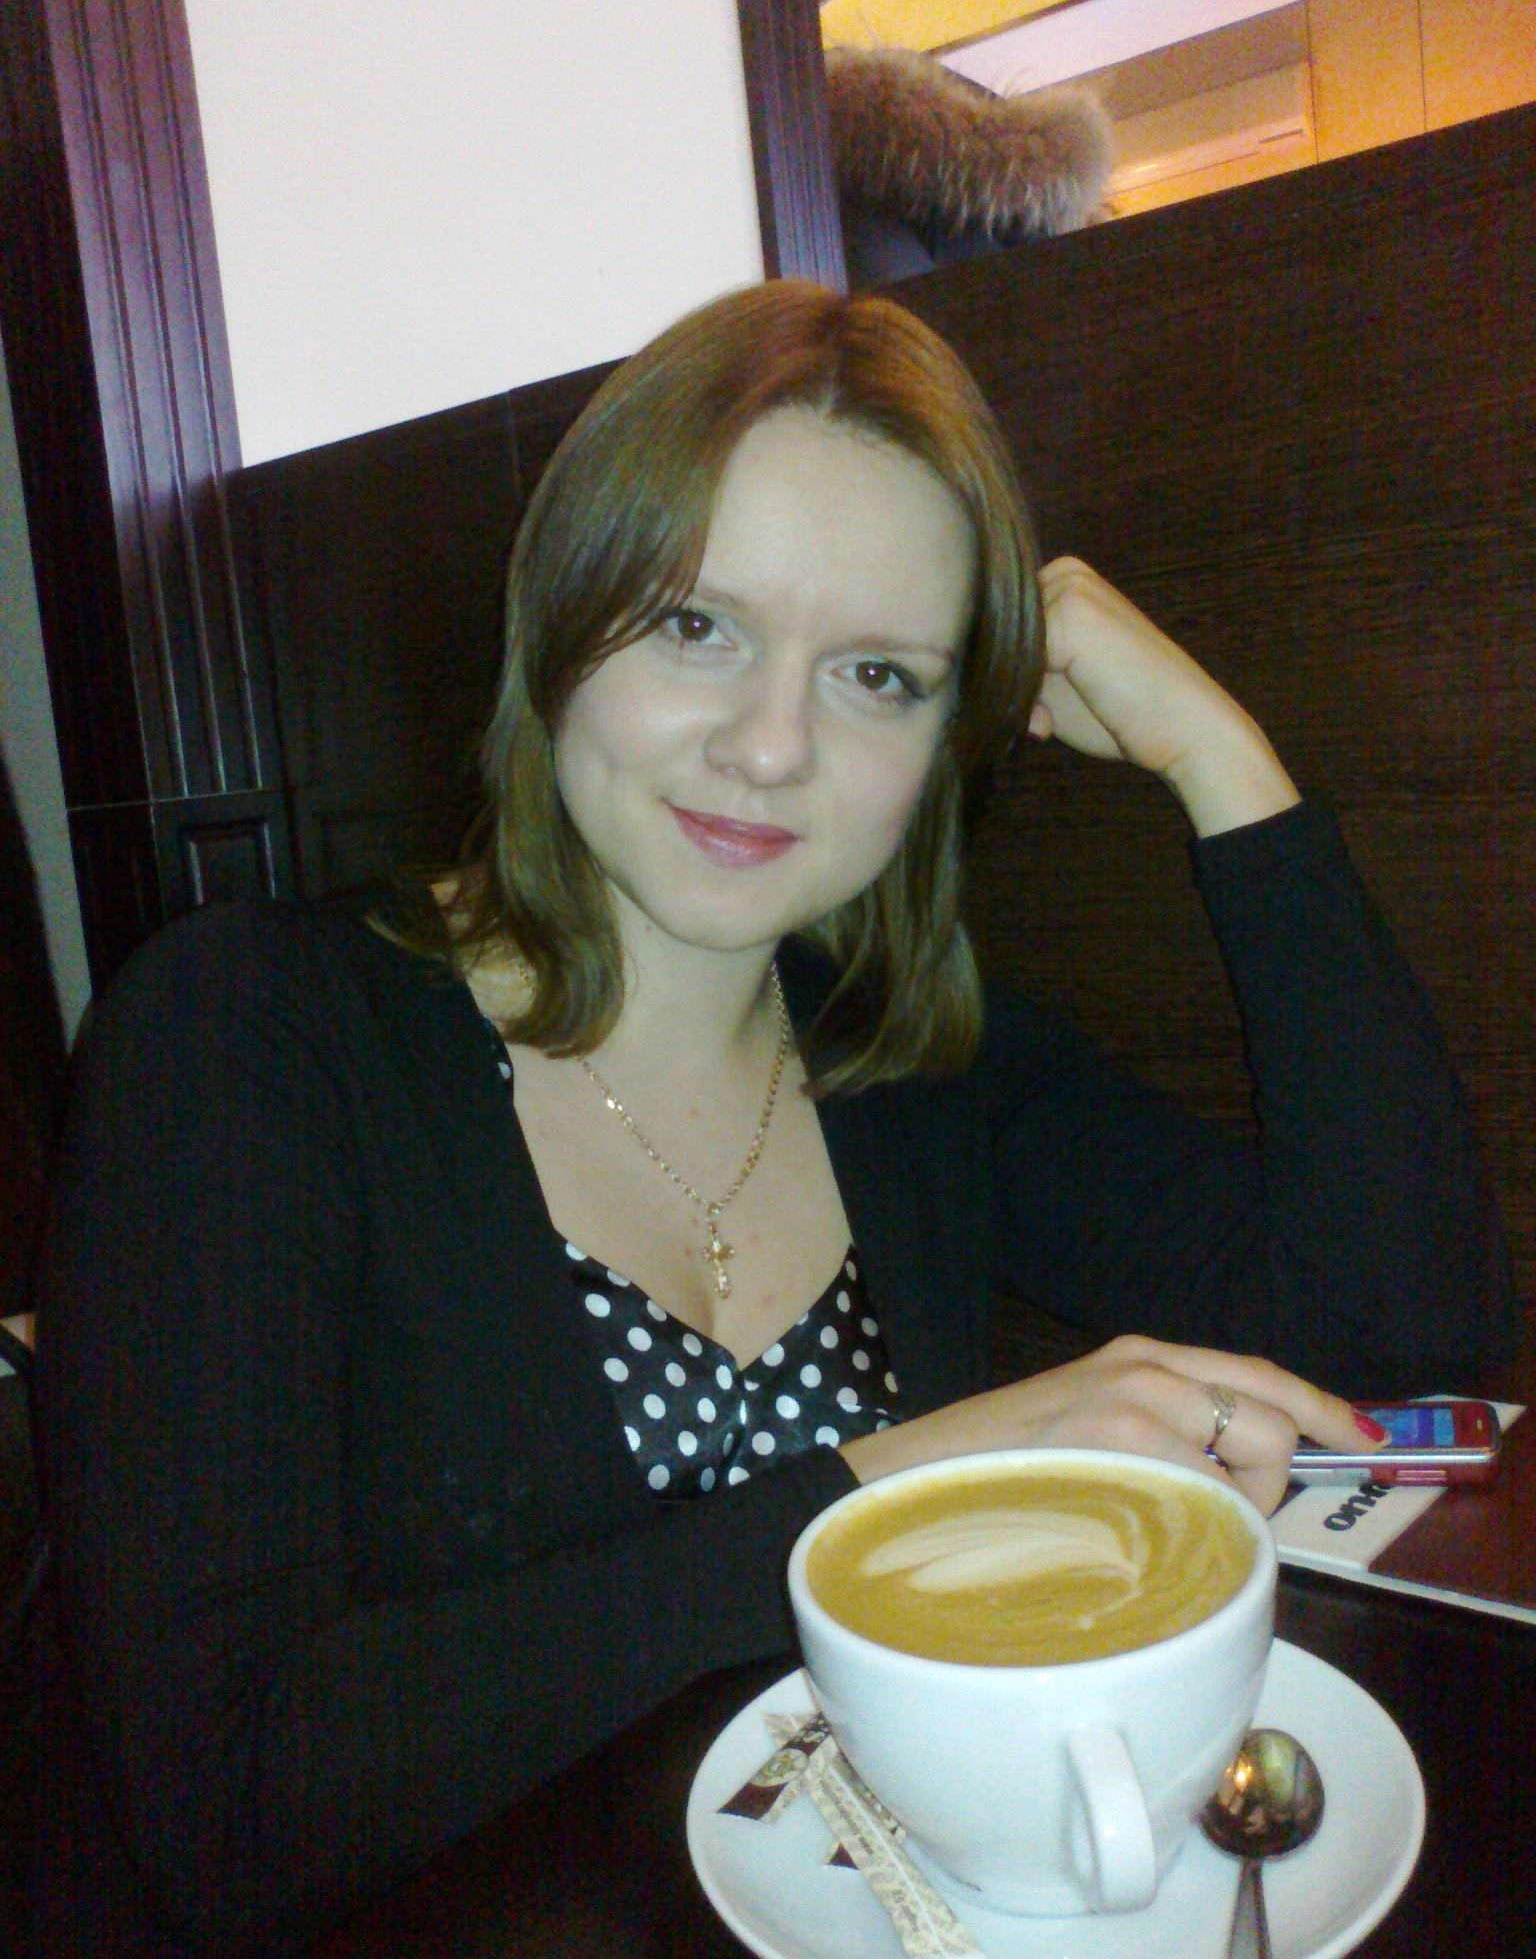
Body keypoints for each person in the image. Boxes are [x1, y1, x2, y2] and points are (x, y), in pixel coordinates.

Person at [34, 280, 1510, 1956]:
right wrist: (902, 1483)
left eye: (879, 675)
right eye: (696, 627)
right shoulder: (245, 1035)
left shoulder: (914, 1066)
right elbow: (227, 1814)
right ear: (561, 616)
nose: (770, 745)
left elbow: (1407, 1340)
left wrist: (1219, 763)